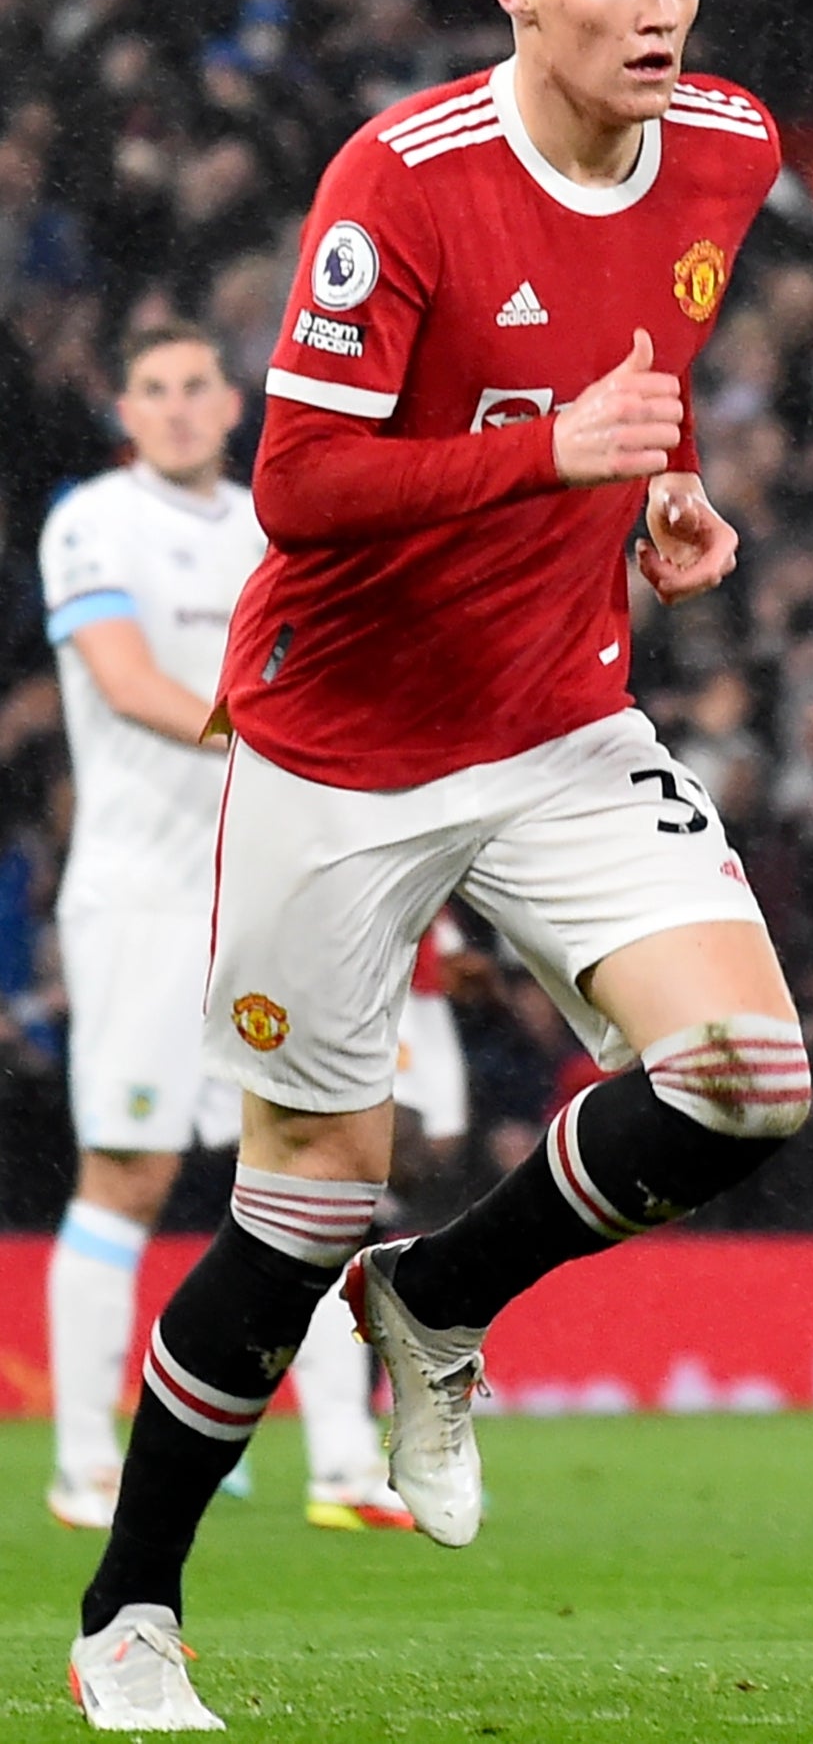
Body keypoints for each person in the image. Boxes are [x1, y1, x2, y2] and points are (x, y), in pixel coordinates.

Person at [67, 0, 809, 1732]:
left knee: (747, 1079)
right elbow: (301, 491)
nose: (661, 13)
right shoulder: (399, 182)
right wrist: (553, 453)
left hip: (561, 715)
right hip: (343, 741)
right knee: (296, 1207)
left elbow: (644, 359)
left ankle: (446, 1301)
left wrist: (662, 485)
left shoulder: (728, 148)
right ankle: (129, 1612)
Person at [38, 322, 412, 1539]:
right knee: (131, 1170)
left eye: (198, 384)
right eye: (153, 387)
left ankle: (343, 1462)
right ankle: (87, 1461)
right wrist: (280, 731)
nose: (181, 406)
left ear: (230, 400)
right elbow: (127, 678)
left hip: (268, 883)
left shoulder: (274, 521)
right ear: (127, 410)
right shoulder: (92, 519)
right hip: (144, 896)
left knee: (304, 1169)